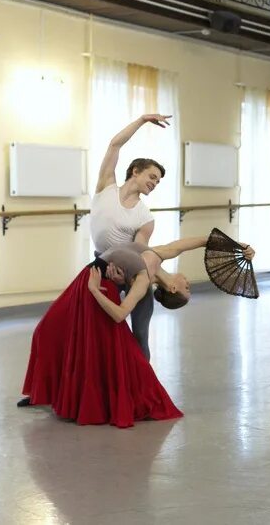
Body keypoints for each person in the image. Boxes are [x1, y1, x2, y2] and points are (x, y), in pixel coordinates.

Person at [17, 233, 256, 428]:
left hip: (94, 286)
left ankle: (61, 397)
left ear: (172, 288)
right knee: (44, 332)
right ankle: (45, 392)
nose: (188, 285)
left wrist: (95, 290)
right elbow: (200, 241)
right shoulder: (159, 256)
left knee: (75, 344)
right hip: (86, 278)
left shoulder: (143, 280)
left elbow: (120, 314)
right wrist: (238, 246)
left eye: (187, 290)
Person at [91, 113, 172, 360]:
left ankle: (143, 390)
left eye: (157, 181)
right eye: (152, 177)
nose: (154, 183)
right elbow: (115, 144)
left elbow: (141, 252)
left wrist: (130, 277)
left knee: (140, 336)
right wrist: (142, 120)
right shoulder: (106, 186)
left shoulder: (145, 217)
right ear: (135, 171)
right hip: (101, 265)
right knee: (96, 332)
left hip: (131, 272)